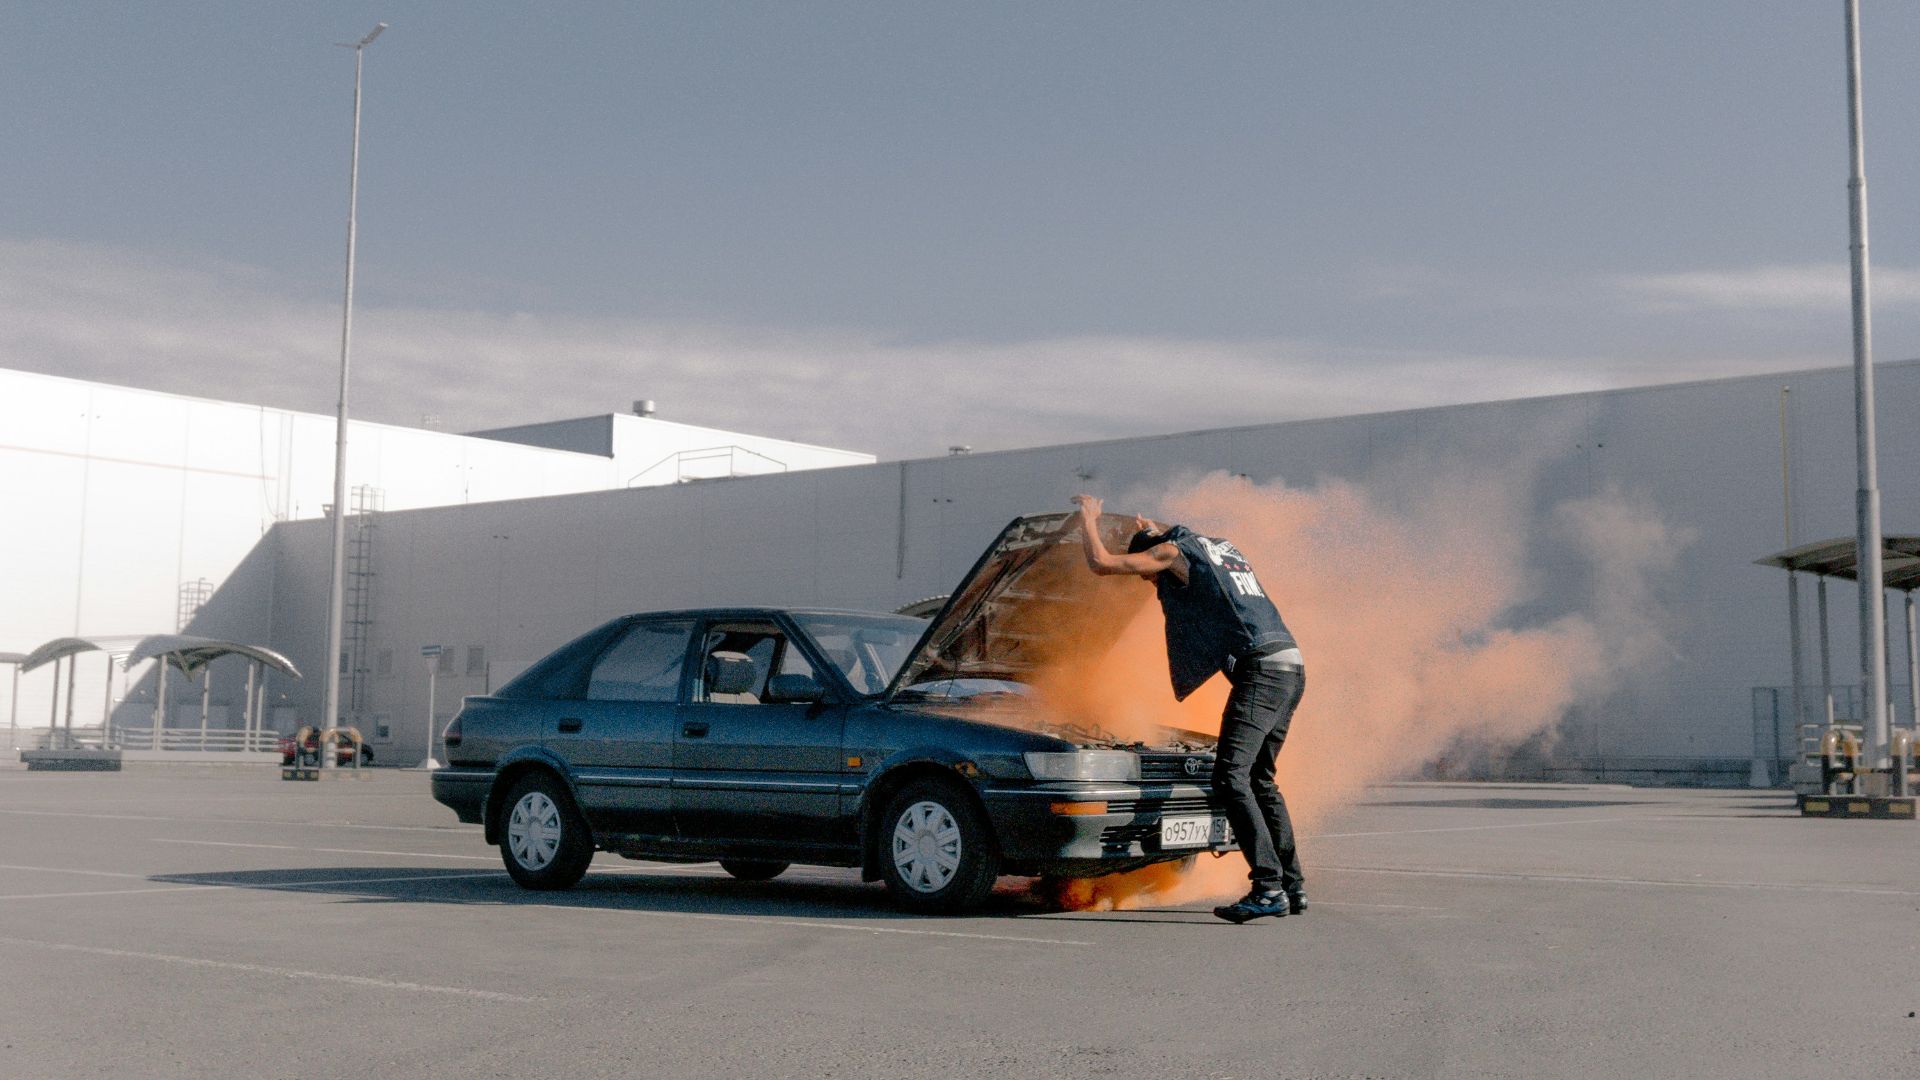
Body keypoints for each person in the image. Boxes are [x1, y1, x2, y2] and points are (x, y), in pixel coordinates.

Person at [1069, 494, 1308, 924]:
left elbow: (1102, 563)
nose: (1153, 582)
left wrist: (1089, 519)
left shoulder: (1168, 553)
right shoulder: (1216, 547)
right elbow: (1171, 541)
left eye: (1149, 576)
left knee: (1230, 776)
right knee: (1260, 779)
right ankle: (1292, 884)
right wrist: (1152, 528)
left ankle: (1268, 887)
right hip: (1291, 664)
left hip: (1261, 669)